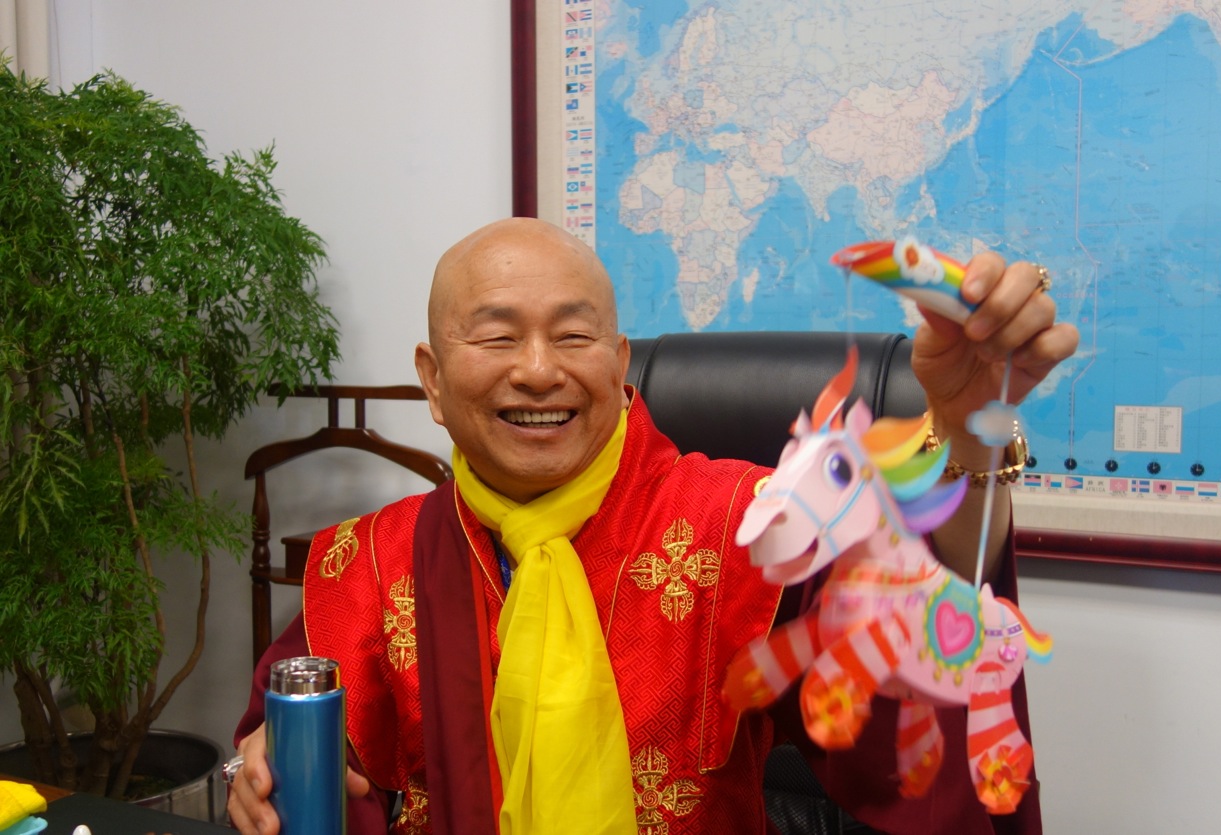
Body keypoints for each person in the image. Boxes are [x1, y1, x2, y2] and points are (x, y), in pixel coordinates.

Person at [227, 217, 1079, 835]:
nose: (538, 370)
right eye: (497, 338)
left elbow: (920, 634)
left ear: (619, 360)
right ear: (434, 380)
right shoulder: (372, 560)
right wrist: (258, 769)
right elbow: (295, 757)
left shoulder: (739, 524)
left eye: (573, 335)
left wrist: (968, 431)